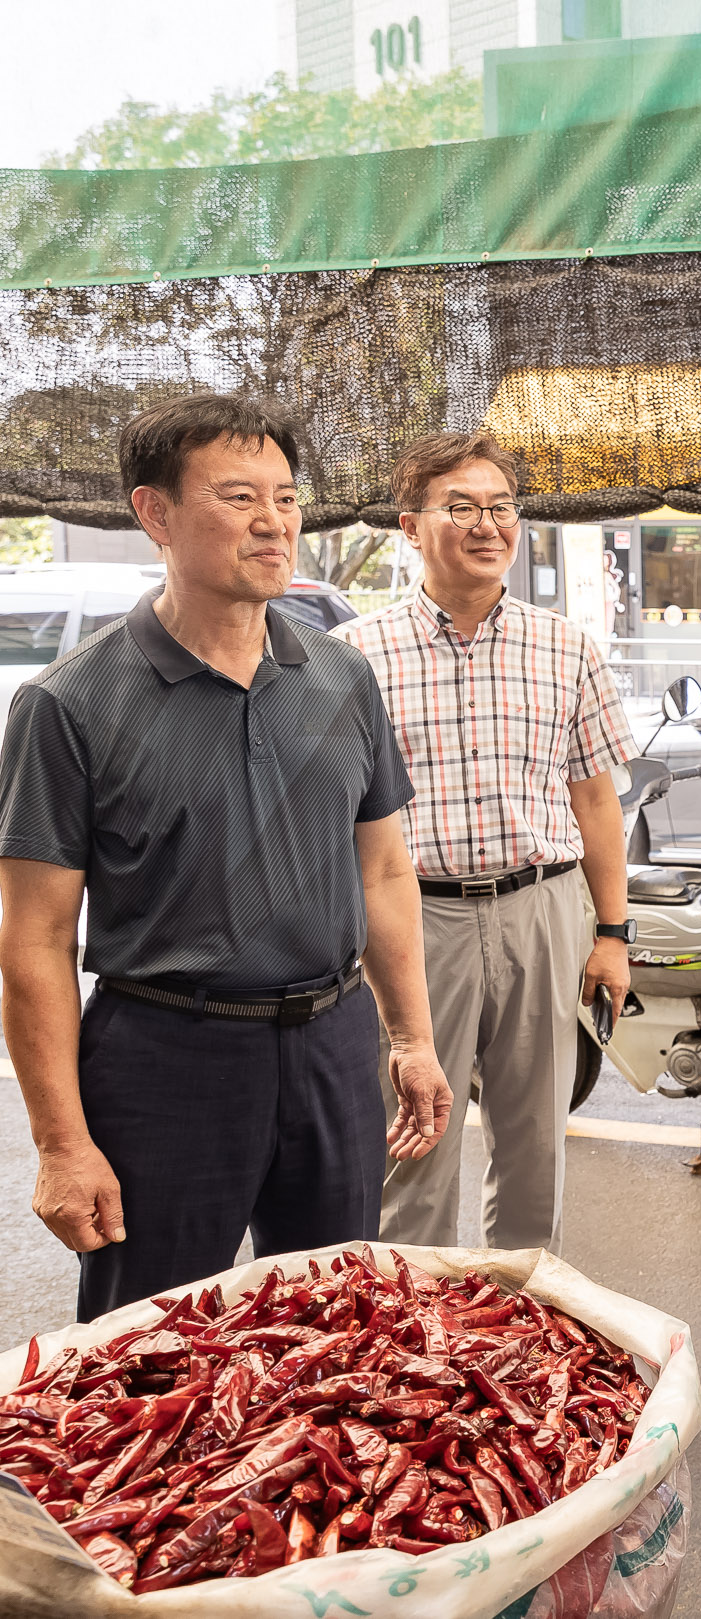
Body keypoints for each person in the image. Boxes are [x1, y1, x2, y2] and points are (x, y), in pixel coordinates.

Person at [0, 394, 452, 1322]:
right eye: (238, 496)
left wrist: (410, 1037)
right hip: (165, 1057)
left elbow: (383, 872)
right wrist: (61, 1142)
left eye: (286, 498)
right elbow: (35, 937)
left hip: (333, 1045)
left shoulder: (340, 675)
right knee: (153, 1344)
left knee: (335, 1329)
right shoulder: (68, 704)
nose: (272, 521)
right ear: (153, 513)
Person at [336, 433, 635, 1252]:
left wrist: (612, 933)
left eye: (501, 507)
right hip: (411, 922)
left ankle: (520, 1333)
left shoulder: (566, 647)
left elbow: (596, 799)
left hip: (541, 909)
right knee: (414, 1146)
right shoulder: (353, 659)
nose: (486, 524)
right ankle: (417, 1348)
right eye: (460, 507)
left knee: (536, 1142)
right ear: (410, 526)